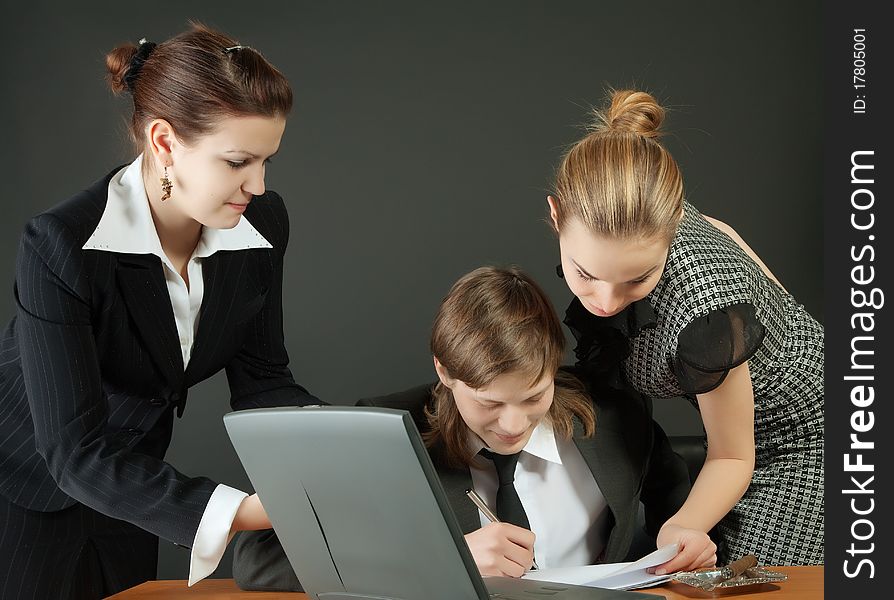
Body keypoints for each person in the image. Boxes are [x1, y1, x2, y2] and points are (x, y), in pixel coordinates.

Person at [0, 24, 319, 599]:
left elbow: (264, 380)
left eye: (267, 159)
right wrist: (244, 511)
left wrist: (345, 452)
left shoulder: (262, 224)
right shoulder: (60, 245)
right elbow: (73, 452)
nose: (259, 184)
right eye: (238, 160)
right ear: (165, 141)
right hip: (24, 487)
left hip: (136, 493)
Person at [231, 266, 715, 592]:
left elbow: (674, 501)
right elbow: (258, 562)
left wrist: (687, 540)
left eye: (533, 397)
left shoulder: (614, 416)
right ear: (444, 371)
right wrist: (443, 561)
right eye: (488, 402)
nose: (513, 424)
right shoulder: (383, 432)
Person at [547, 89, 824, 567]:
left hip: (815, 436)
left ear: (673, 227)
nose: (606, 302)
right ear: (556, 217)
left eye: (638, 279)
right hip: (745, 431)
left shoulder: (706, 311)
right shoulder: (646, 207)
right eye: (586, 274)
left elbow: (733, 457)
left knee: (744, 582)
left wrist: (684, 523)